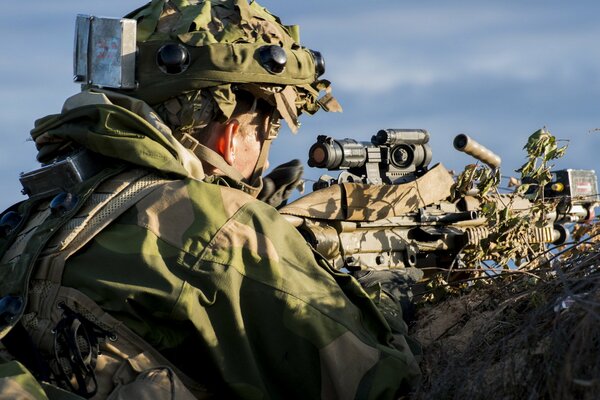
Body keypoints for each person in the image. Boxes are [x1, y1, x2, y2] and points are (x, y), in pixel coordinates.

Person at [0, 1, 421, 399]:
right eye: (268, 128)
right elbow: (373, 382)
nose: (265, 151)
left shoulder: (31, 217)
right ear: (232, 131)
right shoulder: (222, 228)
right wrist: (382, 294)